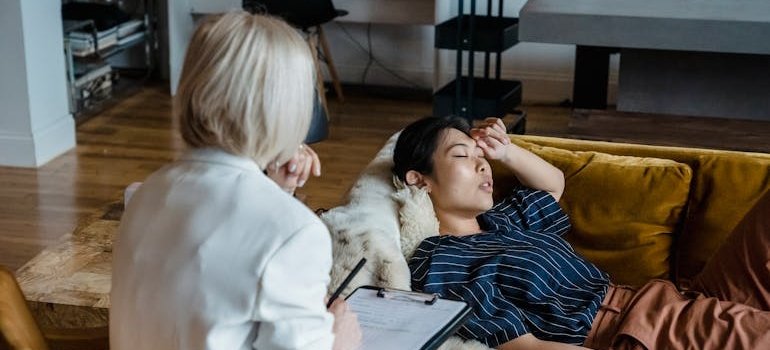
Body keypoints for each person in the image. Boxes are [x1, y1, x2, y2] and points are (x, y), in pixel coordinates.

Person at [392, 116, 770, 350]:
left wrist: (505, 151)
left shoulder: (502, 222)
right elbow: (521, 345)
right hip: (636, 330)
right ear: (418, 179)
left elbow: (552, 184)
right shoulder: (440, 259)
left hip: (673, 298)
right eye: (463, 156)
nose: (482, 168)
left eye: (482, 159)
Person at [110, 12, 361, 350]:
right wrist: (339, 342)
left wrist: (276, 193)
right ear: (291, 107)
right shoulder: (296, 233)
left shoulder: (145, 193)